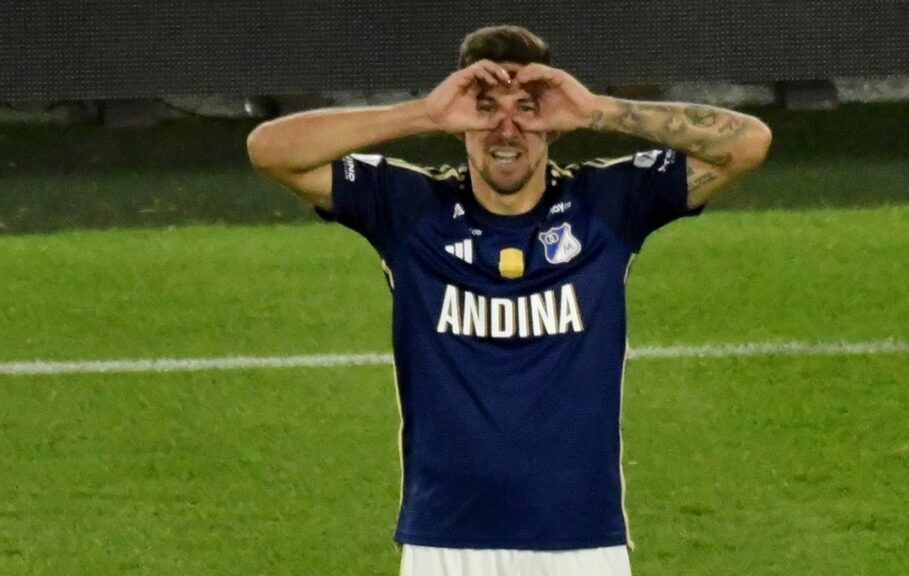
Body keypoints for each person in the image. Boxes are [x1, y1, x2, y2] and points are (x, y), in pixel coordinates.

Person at [247, 24, 770, 576]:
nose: (507, 128)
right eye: (485, 107)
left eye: (527, 108)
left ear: (553, 123)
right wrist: (425, 113)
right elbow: (270, 151)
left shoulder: (608, 207)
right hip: (446, 538)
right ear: (460, 123)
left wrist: (596, 110)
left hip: (582, 539)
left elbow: (748, 144)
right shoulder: (408, 210)